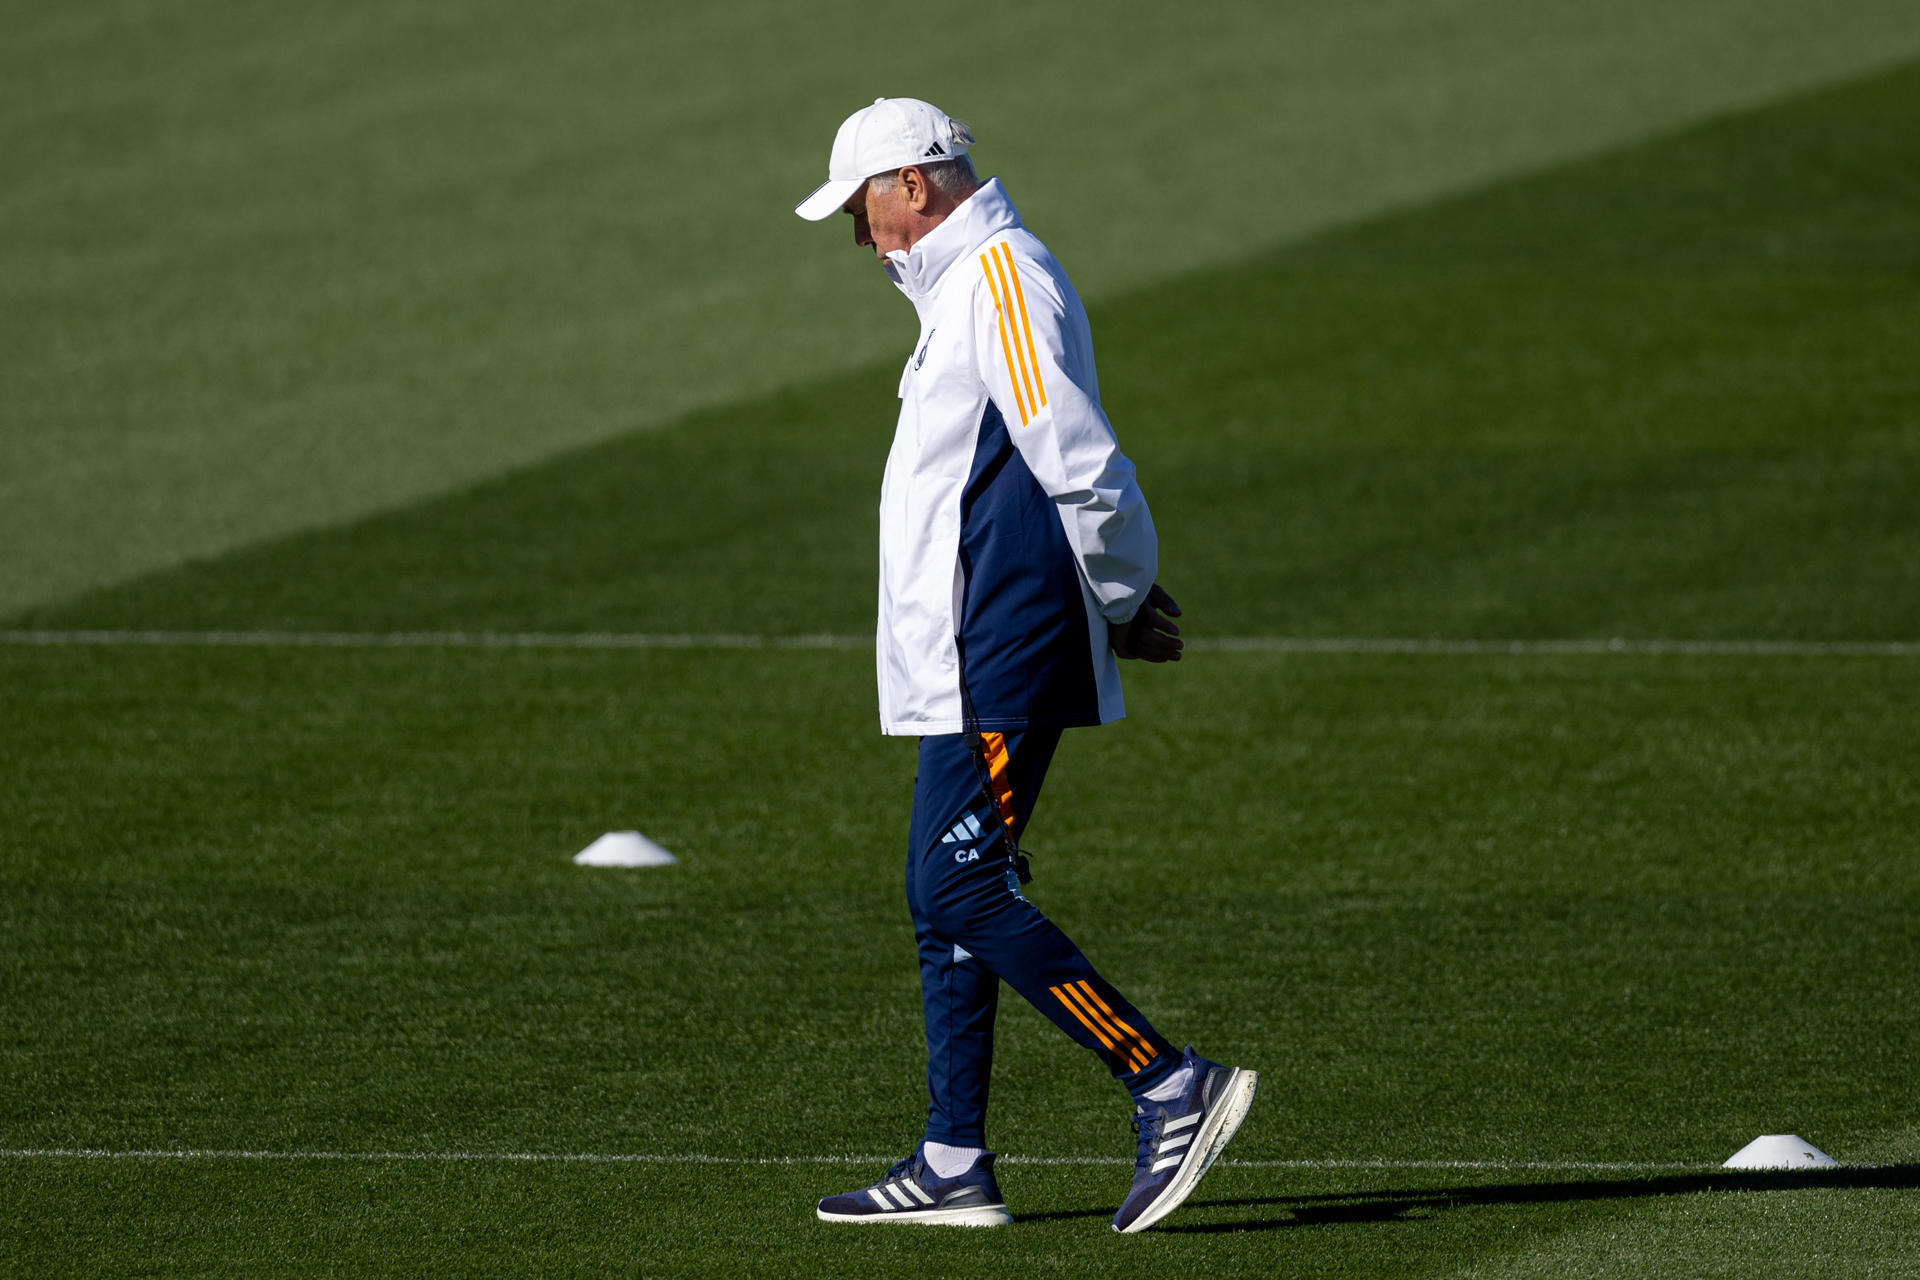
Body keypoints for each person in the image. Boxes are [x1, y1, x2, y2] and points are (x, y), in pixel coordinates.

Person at [793, 97, 1257, 1234]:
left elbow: (1078, 454)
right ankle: (954, 1155)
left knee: (956, 885)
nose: (863, 237)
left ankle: (1166, 1080)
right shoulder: (961, 286)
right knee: (940, 896)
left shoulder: (1000, 276)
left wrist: (1125, 590)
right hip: (965, 650)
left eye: (865, 209)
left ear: (914, 183)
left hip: (1000, 644)